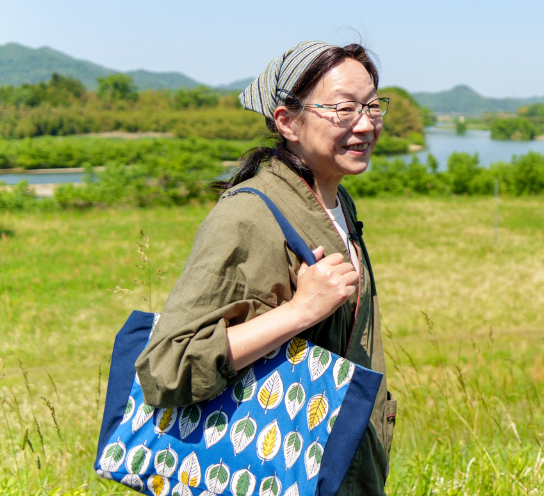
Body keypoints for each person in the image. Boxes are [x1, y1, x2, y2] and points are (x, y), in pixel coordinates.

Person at [135, 41, 395, 495]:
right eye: (344, 108)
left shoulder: (338, 202)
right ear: (287, 121)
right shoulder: (247, 216)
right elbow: (166, 367)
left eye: (373, 106)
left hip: (335, 467)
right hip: (273, 470)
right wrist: (299, 311)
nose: (366, 123)